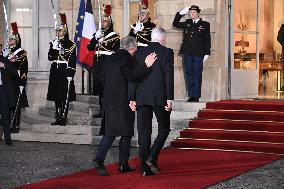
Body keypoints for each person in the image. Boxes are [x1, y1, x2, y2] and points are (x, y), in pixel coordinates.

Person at [92, 36, 157, 176]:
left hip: (109, 100)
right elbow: (132, 76)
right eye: (135, 50)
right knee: (126, 133)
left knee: (110, 132)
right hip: (122, 101)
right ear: (132, 48)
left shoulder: (109, 58)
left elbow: (101, 79)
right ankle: (120, 164)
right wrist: (146, 65)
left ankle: (107, 161)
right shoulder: (127, 58)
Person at [129, 28, 174, 176]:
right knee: (164, 128)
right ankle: (151, 157)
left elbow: (133, 77)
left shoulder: (140, 52)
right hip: (159, 97)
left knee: (143, 133)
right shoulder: (167, 52)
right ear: (163, 39)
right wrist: (169, 98)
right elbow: (168, 76)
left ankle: (144, 168)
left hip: (142, 97)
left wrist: (132, 98)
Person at [173, 5, 211, 102]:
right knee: (188, 73)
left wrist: (207, 53)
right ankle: (191, 95)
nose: (191, 14)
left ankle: (196, 95)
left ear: (198, 13)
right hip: (187, 52)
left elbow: (207, 39)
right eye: (190, 13)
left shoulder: (205, 24)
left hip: (199, 53)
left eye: (193, 12)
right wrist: (181, 13)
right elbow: (175, 24)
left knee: (197, 73)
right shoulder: (187, 23)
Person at [87, 4, 120, 118]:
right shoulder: (98, 34)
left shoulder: (114, 36)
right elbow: (90, 47)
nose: (103, 23)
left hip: (107, 63)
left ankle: (108, 111)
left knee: (107, 89)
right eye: (102, 21)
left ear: (109, 23)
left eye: (105, 21)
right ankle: (102, 111)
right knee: (99, 88)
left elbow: (116, 51)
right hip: (98, 64)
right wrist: (96, 38)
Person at [47, 13, 76, 126]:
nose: (58, 32)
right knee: (56, 95)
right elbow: (50, 58)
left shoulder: (71, 44)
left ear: (65, 31)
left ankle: (64, 117)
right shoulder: (53, 42)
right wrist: (54, 49)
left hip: (65, 70)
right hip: (55, 69)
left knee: (64, 95)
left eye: (60, 31)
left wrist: (71, 73)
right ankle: (58, 117)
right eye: (57, 31)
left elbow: (72, 60)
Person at [6, 22, 29, 133]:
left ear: (16, 40)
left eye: (11, 39)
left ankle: (16, 125)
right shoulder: (7, 52)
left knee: (16, 104)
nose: (9, 41)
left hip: (16, 81)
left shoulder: (22, 53)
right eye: (9, 39)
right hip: (7, 80)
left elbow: (24, 69)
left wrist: (22, 83)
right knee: (8, 103)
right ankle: (8, 123)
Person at [0, 44, 19, 146]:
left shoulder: (5, 60)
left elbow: (15, 72)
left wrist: (4, 65)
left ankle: (7, 139)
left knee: (5, 115)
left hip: (2, 90)